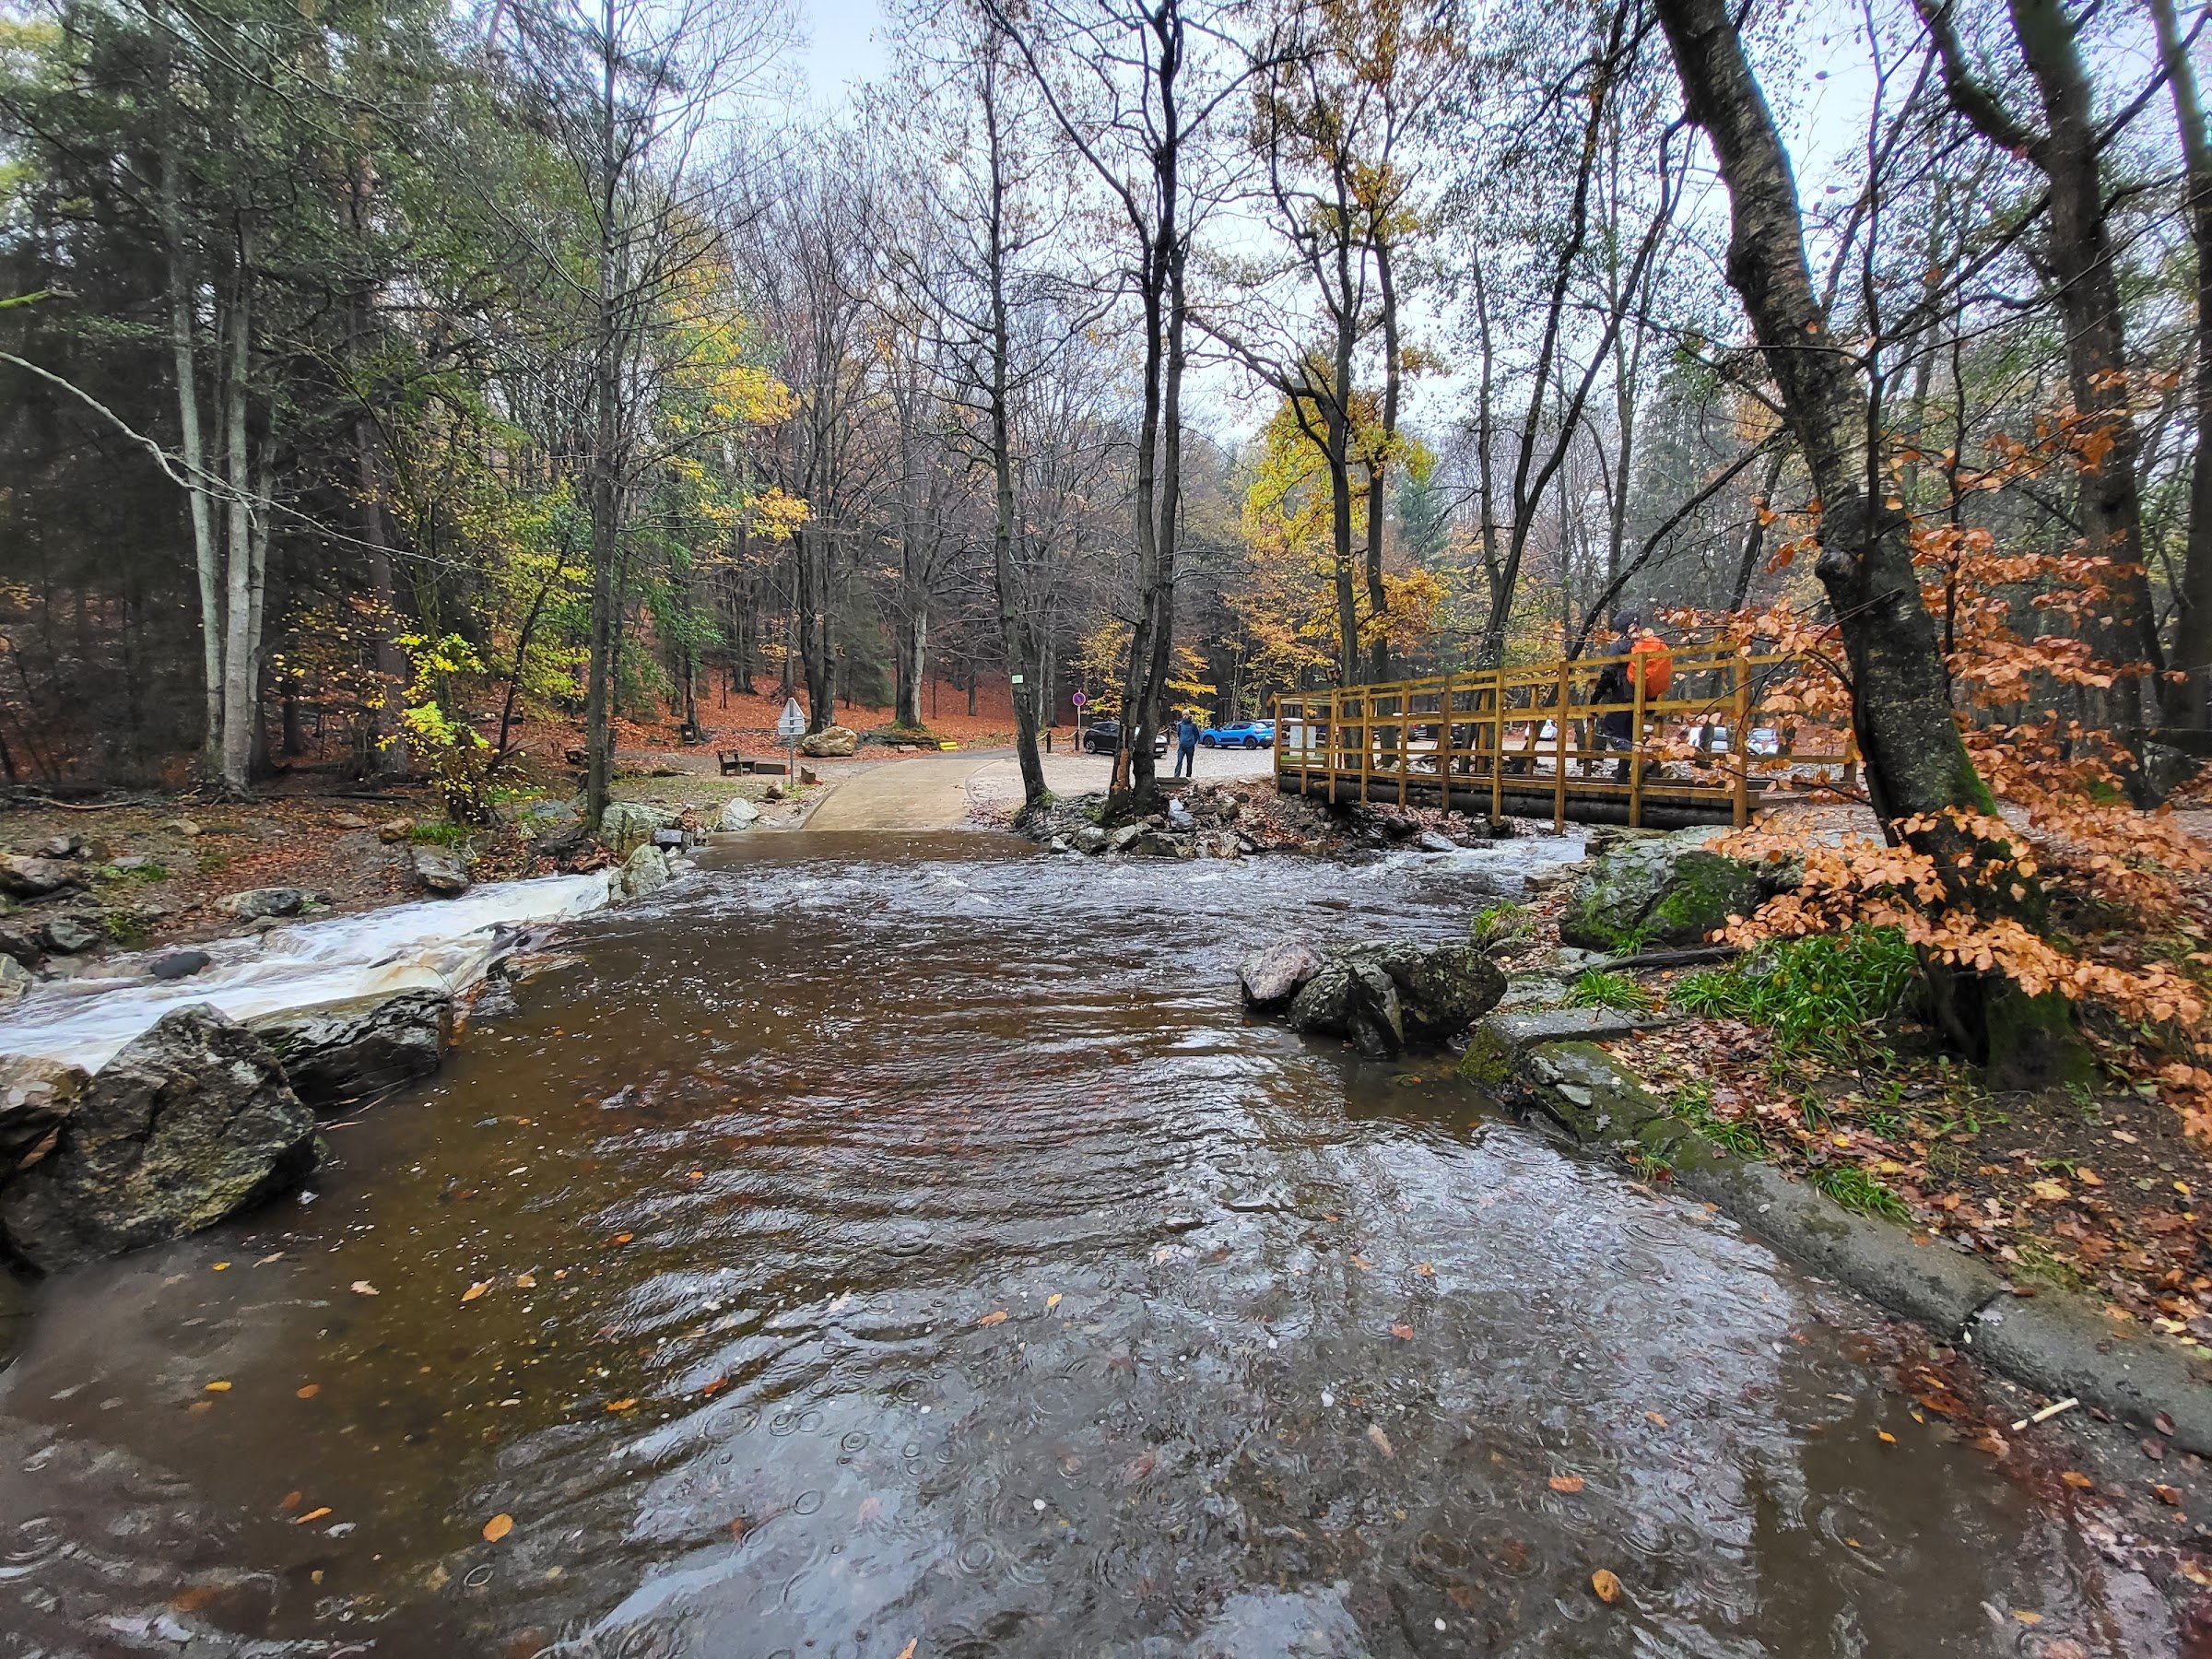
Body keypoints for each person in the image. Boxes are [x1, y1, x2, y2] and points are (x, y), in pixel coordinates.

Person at [1174, 712, 1199, 778]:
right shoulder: (1180, 725)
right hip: (1182, 746)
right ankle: (1176, 776)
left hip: (1190, 746)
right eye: (1184, 715)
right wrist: (1181, 741)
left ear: (1189, 716)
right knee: (1179, 761)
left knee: (1189, 762)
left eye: (1186, 715)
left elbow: (1196, 735)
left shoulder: (1193, 725)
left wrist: (1193, 742)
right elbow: (1179, 734)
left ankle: (1188, 776)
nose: (1185, 716)